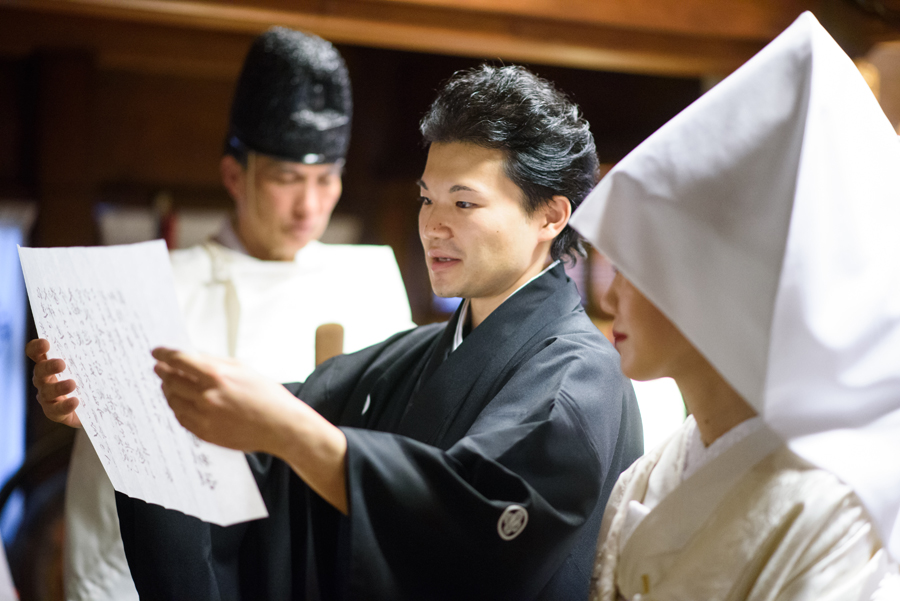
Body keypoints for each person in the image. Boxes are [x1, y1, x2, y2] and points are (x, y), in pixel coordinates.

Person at [33, 64, 643, 600]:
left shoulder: (578, 376)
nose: (433, 226)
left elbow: (477, 531)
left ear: (551, 214)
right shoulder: (413, 356)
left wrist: (298, 436)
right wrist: (117, 400)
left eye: (464, 204)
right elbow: (259, 437)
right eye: (427, 199)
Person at [28, 27, 413, 601]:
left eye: (325, 180)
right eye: (287, 179)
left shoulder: (368, 282)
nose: (310, 206)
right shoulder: (152, 282)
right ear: (236, 175)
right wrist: (74, 397)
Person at [569, 12, 900, 600]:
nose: (610, 294)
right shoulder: (649, 472)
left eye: (632, 270)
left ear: (715, 285)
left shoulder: (839, 506)